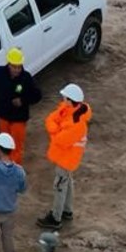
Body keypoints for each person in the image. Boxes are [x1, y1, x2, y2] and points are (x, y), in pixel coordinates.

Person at [0, 47, 44, 165]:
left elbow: (37, 96)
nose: (17, 70)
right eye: (14, 66)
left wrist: (23, 100)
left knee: (16, 146)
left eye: (19, 66)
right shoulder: (0, 73)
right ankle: (4, 163)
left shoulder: (26, 78)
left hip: (19, 118)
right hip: (3, 116)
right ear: (8, 64)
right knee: (4, 142)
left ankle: (13, 168)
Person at [39, 83, 91, 229]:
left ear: (70, 100)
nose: (62, 99)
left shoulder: (77, 123)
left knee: (60, 186)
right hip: (66, 157)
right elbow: (51, 119)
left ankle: (55, 218)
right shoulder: (71, 110)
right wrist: (56, 128)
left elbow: (59, 140)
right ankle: (67, 211)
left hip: (66, 159)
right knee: (67, 183)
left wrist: (54, 128)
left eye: (64, 97)